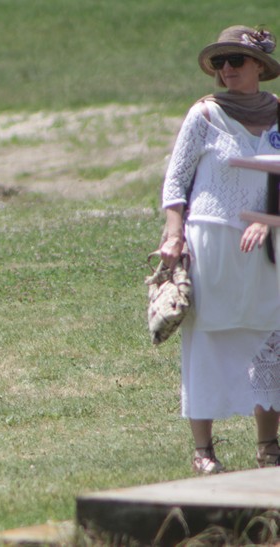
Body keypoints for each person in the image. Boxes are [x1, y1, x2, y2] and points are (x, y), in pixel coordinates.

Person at [160, 26, 280, 474]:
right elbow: (176, 180)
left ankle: (269, 446)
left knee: (270, 336)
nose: (226, 69)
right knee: (208, 337)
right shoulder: (205, 114)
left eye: (236, 60)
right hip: (211, 239)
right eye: (219, 62)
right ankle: (203, 451)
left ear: (259, 67)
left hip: (268, 246)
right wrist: (173, 235)